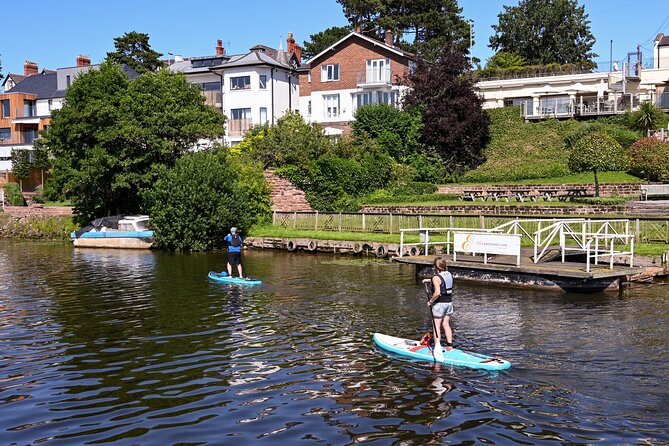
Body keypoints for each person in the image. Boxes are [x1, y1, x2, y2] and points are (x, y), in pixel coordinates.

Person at [422, 257, 454, 351]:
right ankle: (449, 346)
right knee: (446, 324)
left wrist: (431, 301)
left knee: (436, 325)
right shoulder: (449, 274)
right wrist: (428, 280)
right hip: (449, 303)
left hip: (439, 304)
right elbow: (441, 281)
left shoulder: (436, 277)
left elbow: (437, 292)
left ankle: (437, 347)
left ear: (436, 267)